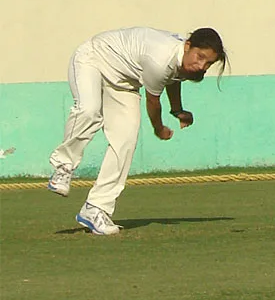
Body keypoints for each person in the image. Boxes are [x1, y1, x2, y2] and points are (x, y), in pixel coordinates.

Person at [47, 27, 227, 235]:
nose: (201, 66)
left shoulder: (184, 61)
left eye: (209, 64)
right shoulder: (160, 58)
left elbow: (171, 78)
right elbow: (153, 100)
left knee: (125, 140)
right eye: (200, 57)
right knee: (89, 110)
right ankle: (63, 166)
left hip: (124, 83)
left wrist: (177, 110)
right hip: (93, 59)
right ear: (188, 46)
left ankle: (96, 208)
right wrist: (159, 128)